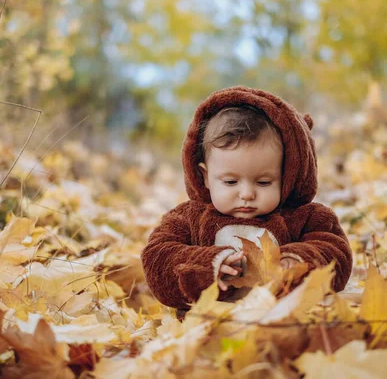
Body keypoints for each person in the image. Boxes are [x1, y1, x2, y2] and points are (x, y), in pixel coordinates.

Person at [141, 86, 352, 310]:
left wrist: (298, 263)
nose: (247, 194)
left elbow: (336, 252)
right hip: (209, 331)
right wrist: (207, 267)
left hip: (284, 326)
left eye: (263, 182)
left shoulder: (304, 218)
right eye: (231, 182)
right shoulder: (188, 218)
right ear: (205, 177)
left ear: (287, 176)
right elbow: (157, 258)